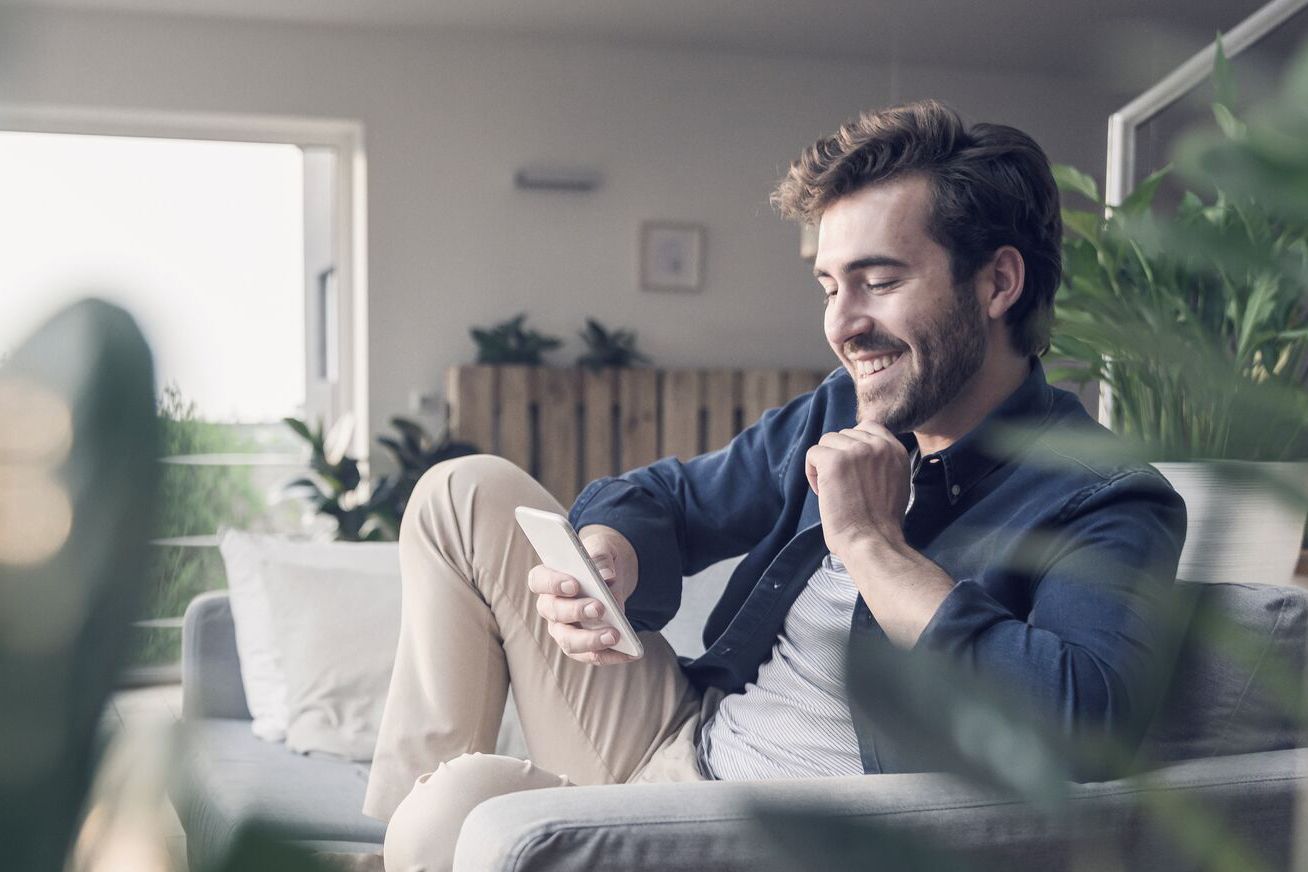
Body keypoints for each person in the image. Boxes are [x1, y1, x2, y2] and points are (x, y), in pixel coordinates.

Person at [363, 98, 1187, 870]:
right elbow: (674, 501)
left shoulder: (1103, 496)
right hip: (685, 738)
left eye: (881, 280)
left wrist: (871, 545)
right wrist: (613, 557)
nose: (841, 323)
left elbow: (1083, 727)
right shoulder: (841, 409)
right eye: (831, 286)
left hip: (778, 833)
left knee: (458, 813)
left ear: (997, 283)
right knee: (462, 493)